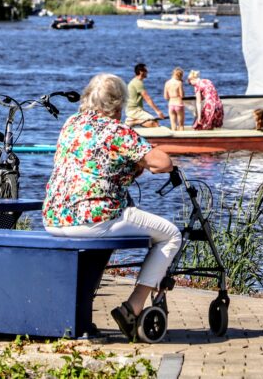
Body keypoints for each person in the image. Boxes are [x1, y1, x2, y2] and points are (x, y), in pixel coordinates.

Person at [42, 73, 181, 341]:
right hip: (92, 219)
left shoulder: (72, 123)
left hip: (54, 217)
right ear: (118, 105)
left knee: (103, 240)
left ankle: (80, 321)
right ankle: (133, 307)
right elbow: (161, 163)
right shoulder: (115, 130)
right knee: (171, 234)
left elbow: (95, 165)